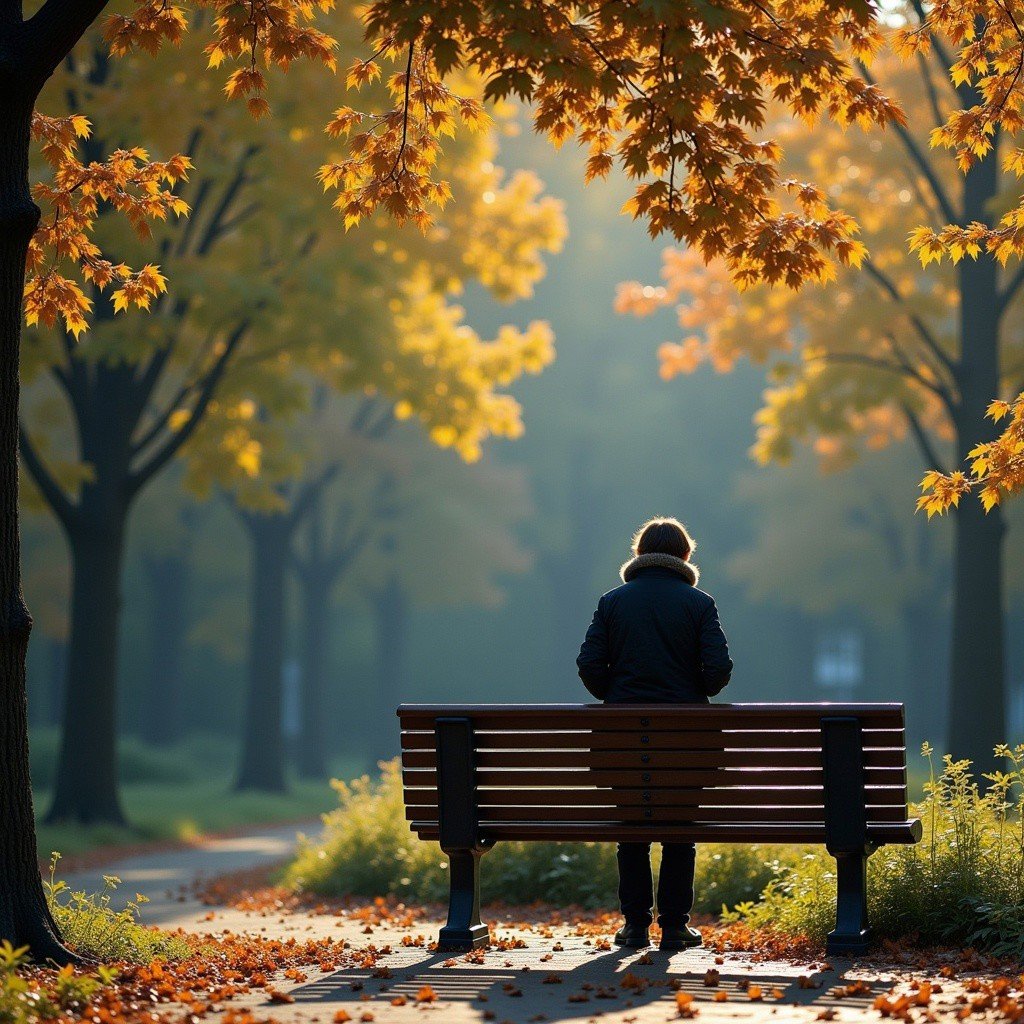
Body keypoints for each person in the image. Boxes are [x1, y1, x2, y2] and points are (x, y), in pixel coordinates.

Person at [576, 516, 733, 952]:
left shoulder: (612, 602)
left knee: (632, 831)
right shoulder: (699, 603)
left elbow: (589, 663)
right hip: (686, 740)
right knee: (680, 830)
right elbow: (718, 668)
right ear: (685, 556)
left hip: (622, 737)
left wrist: (618, 695)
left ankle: (635, 926)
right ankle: (675, 927)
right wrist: (690, 692)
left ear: (639, 555)